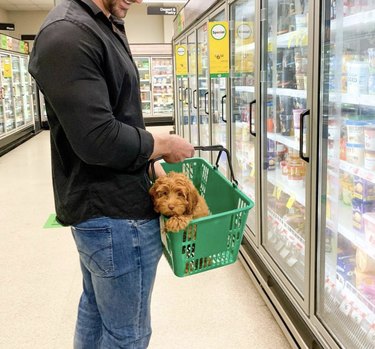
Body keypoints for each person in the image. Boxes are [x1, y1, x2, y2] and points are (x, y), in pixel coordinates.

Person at [28, 0, 194, 348]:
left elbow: (119, 115)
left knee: (96, 310)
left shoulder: (104, 24)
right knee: (128, 334)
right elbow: (97, 139)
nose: (136, 0)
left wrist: (150, 162)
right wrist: (162, 143)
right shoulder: (68, 34)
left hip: (111, 208)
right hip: (114, 215)